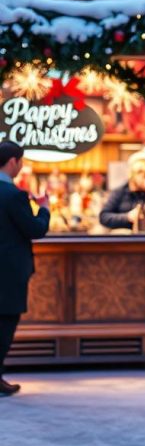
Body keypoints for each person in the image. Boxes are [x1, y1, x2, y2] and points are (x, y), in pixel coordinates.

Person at [0, 142, 49, 397]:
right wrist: (44, 208)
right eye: (21, 161)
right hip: (7, 273)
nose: (21, 166)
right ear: (12, 162)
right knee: (5, 323)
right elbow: (35, 229)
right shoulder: (13, 195)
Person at [100, 148, 145, 231]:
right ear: (131, 173)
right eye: (140, 172)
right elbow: (104, 217)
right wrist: (128, 217)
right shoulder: (119, 192)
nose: (144, 177)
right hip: (125, 240)